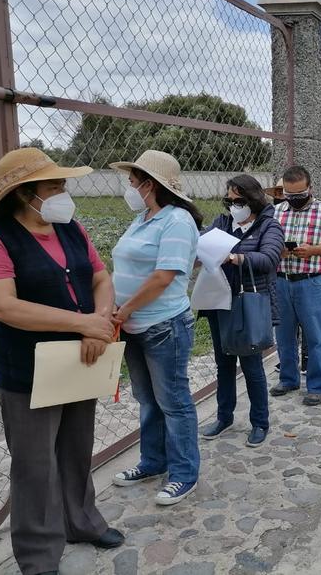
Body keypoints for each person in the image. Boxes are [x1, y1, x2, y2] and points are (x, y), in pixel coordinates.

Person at [0, 148, 124, 574]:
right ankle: (39, 555)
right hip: (30, 371)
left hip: (82, 360)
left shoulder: (70, 227)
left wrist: (98, 320)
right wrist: (83, 324)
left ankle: (82, 522)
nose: (64, 192)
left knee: (77, 450)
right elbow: (3, 306)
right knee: (35, 464)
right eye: (54, 185)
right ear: (24, 193)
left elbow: (99, 276)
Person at [110, 150, 203, 506]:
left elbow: (165, 275)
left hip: (163, 326)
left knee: (173, 401)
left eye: (132, 182)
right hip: (133, 326)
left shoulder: (177, 220)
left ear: (148, 185)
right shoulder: (144, 218)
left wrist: (125, 309)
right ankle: (153, 461)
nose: (129, 188)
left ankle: (184, 473)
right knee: (147, 400)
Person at [199, 174, 284, 446]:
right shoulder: (222, 223)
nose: (233, 205)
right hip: (218, 302)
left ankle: (260, 422)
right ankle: (224, 417)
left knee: (251, 364)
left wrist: (236, 257)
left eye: (239, 200)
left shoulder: (268, 226)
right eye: (229, 200)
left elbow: (269, 258)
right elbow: (204, 244)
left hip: (247, 304)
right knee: (223, 363)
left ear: (252, 199)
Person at [271, 165, 321, 406]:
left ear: (310, 188)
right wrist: (276, 251)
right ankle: (288, 378)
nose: (293, 200)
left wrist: (313, 250)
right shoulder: (276, 212)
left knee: (315, 337)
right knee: (283, 335)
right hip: (281, 281)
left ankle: (317, 386)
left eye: (299, 195)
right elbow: (266, 243)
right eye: (289, 195)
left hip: (311, 282)